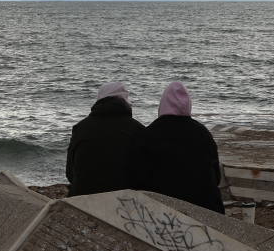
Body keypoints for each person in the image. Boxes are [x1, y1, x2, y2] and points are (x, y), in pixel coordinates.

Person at [138, 81, 225, 214]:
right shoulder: (203, 133)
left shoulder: (149, 134)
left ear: (163, 104)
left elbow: (139, 177)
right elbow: (216, 177)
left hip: (163, 212)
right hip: (208, 208)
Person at [65, 82, 146, 197]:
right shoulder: (137, 129)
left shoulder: (80, 127)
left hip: (81, 199)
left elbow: (70, 174)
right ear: (125, 101)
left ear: (99, 98)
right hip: (122, 203)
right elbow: (141, 175)